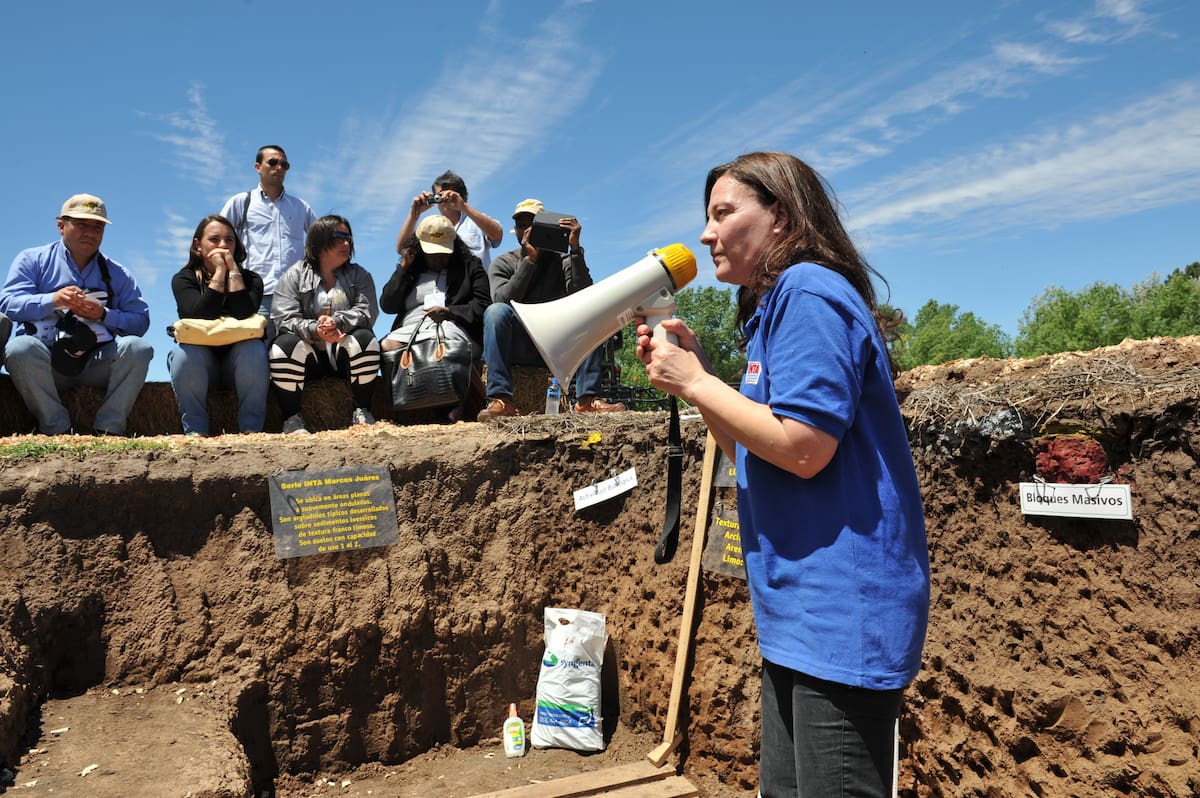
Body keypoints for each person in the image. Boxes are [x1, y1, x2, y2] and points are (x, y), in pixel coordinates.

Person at [635, 152, 929, 796]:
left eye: (723, 213)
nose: (706, 234)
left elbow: (804, 448)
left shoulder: (808, 292)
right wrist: (700, 382)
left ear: (782, 217)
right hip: (801, 617)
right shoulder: (776, 310)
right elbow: (753, 451)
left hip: (839, 617)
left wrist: (697, 383)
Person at [0, 194, 153, 436]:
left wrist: (104, 314)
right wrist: (52, 300)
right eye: (82, 225)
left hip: (96, 362)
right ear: (61, 226)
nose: (90, 233)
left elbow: (140, 321)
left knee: (139, 348)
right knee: (19, 348)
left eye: (98, 227)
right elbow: (7, 303)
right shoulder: (32, 260)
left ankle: (110, 431)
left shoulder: (119, 273)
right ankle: (56, 430)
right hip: (46, 363)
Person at [476, 199, 626, 420]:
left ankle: (587, 399)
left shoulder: (563, 258)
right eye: (521, 225)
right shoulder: (503, 262)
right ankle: (502, 400)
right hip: (521, 345)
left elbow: (584, 295)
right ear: (515, 231)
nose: (527, 230)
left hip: (557, 346)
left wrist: (575, 250)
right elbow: (501, 301)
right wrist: (530, 261)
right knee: (496, 311)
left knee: (592, 310)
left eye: (533, 225)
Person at [270, 215, 380, 434]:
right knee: (282, 345)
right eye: (339, 237)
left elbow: (367, 311)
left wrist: (337, 323)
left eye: (348, 238)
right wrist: (315, 330)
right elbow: (284, 318)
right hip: (309, 356)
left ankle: (362, 411)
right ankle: (291, 419)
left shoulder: (359, 275)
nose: (346, 243)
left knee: (365, 339)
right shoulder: (294, 275)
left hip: (343, 355)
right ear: (319, 241)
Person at [167, 215, 269, 437]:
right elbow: (200, 315)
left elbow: (243, 313)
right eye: (214, 239)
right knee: (183, 354)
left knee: (254, 349)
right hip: (202, 365)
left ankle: (251, 430)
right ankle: (196, 432)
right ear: (198, 245)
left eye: (229, 240)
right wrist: (220, 273)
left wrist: (233, 271)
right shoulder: (183, 279)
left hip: (239, 365)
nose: (223, 245)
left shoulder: (252, 280)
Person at [380, 215, 491, 420]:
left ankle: (457, 403)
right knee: (387, 345)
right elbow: (387, 305)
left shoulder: (470, 266)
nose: (439, 259)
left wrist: (450, 312)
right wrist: (403, 269)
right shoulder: (411, 269)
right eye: (433, 254)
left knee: (447, 342)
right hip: (412, 328)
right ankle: (400, 405)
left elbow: (483, 305)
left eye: (443, 253)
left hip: (453, 325)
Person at [220, 145, 316, 328]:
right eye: (272, 162)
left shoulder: (301, 207)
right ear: (258, 167)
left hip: (296, 298)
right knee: (257, 345)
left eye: (284, 165)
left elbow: (321, 243)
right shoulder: (241, 202)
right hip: (255, 296)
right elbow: (218, 238)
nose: (279, 167)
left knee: (295, 346)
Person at [394, 170, 503, 271]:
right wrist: (414, 214)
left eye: (450, 194)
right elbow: (403, 250)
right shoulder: (431, 226)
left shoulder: (476, 221)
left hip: (477, 283)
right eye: (440, 195)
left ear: (462, 196)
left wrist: (463, 207)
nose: (445, 199)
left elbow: (497, 235)